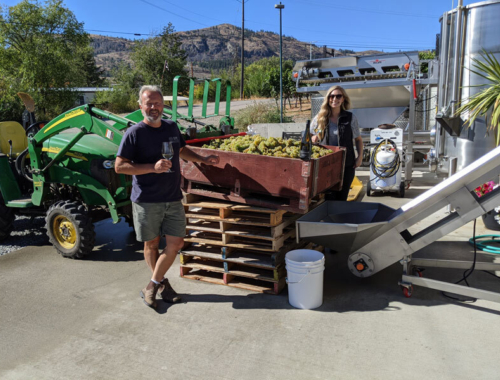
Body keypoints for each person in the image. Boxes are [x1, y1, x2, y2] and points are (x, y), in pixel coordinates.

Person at [115, 85, 219, 309]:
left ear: (164, 105)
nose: (153, 107)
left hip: (172, 197)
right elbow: (120, 166)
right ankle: (162, 285)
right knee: (151, 244)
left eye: (157, 103)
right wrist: (152, 168)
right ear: (140, 106)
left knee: (176, 243)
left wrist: (203, 159)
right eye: (149, 103)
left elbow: (181, 150)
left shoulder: (171, 127)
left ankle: (151, 286)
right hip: (146, 199)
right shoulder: (134, 133)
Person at [311, 85, 363, 201]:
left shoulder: (349, 118)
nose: (335, 99)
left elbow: (358, 139)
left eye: (338, 96)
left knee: (342, 196)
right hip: (326, 164)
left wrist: (359, 157)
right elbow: (315, 133)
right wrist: (315, 136)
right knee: (328, 197)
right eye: (332, 96)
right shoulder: (321, 118)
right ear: (328, 98)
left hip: (346, 164)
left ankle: (340, 218)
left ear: (343, 98)